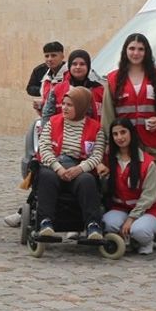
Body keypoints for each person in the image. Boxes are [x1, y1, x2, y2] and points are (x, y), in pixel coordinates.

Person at [101, 33, 156, 247]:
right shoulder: (114, 78)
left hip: (154, 140)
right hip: (123, 142)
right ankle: (128, 230)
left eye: (140, 49)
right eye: (132, 48)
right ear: (125, 51)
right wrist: (108, 144)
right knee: (124, 185)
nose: (136, 53)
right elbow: (107, 114)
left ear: (147, 52)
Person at [34, 87, 106, 242]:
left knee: (87, 180)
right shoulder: (53, 123)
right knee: (46, 176)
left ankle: (93, 225)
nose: (65, 108)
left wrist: (80, 169)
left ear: (81, 107)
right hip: (56, 167)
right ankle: (45, 222)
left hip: (79, 170)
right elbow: (44, 148)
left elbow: (97, 155)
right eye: (64, 104)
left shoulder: (96, 128)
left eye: (70, 105)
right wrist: (58, 168)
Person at [100, 118, 156, 255]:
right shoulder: (109, 159)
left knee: (139, 230)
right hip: (121, 208)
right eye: (115, 134)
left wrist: (131, 218)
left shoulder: (148, 163)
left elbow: (149, 197)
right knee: (106, 223)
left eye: (123, 132)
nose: (119, 137)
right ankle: (128, 239)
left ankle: (146, 242)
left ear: (131, 133)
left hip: (148, 211)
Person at [40, 50, 103, 119]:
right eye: (74, 64)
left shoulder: (99, 90)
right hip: (62, 129)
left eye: (82, 64)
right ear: (69, 66)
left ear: (88, 66)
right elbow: (47, 115)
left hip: (91, 129)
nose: (78, 67)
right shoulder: (57, 89)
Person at [27, 41, 66, 115]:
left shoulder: (70, 74)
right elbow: (30, 88)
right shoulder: (44, 77)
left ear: (62, 56)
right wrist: (42, 103)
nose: (49, 59)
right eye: (47, 56)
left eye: (53, 55)